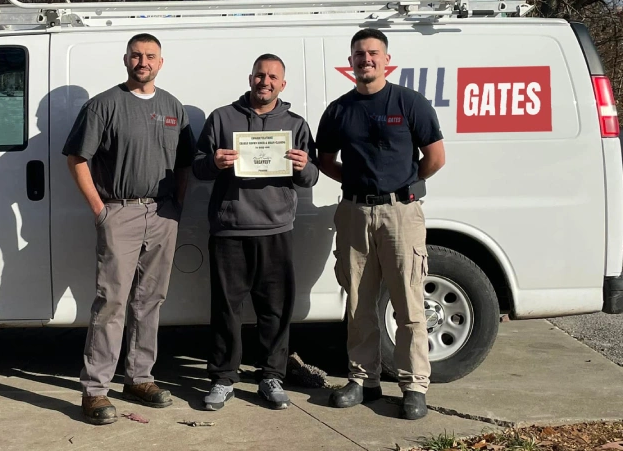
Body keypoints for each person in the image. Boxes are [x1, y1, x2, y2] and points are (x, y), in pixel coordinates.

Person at [62, 33, 196, 425]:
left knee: (150, 299)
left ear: (161, 61)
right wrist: (101, 211)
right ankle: (96, 390)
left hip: (162, 214)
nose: (143, 62)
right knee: (112, 301)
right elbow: (77, 159)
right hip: (118, 212)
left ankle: (139, 378)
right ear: (125, 60)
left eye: (150, 56)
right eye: (136, 55)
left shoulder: (174, 107)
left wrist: (178, 205)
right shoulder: (103, 105)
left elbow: (186, 162)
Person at [316, 28, 445, 420]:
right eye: (359, 54)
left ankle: (413, 385)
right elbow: (325, 159)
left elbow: (435, 157)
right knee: (358, 302)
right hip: (354, 213)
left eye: (373, 53)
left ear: (387, 60)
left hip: (400, 214)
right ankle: (363, 380)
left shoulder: (410, 103)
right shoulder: (339, 109)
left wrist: (399, 187)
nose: (366, 59)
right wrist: (357, 187)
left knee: (408, 302)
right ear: (350, 61)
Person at [192, 53, 319, 411]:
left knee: (275, 311)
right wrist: (214, 163)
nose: (266, 81)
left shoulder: (294, 123)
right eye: (260, 75)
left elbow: (311, 178)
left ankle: (271, 377)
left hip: (276, 228)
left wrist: (303, 166)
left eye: (273, 77)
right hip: (230, 228)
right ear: (250, 79)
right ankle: (222, 378)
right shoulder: (222, 118)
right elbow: (199, 168)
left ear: (283, 84)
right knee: (226, 309)